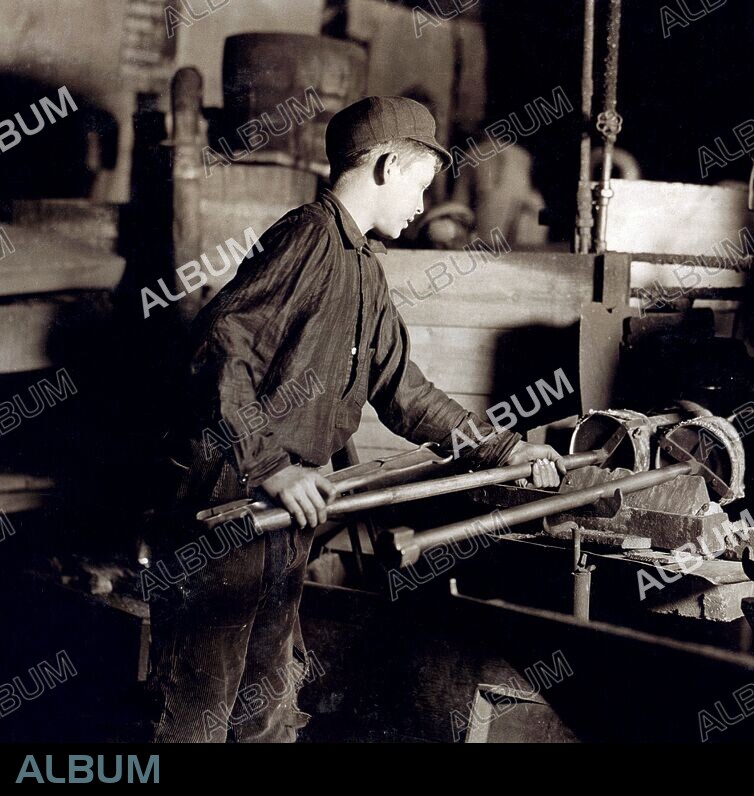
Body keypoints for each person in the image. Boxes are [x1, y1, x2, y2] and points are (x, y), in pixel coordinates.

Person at [149, 96, 565, 743]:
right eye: (421, 186)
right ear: (387, 165)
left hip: (287, 510)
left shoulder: (363, 268)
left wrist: (502, 449)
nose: (423, 207)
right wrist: (273, 468)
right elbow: (217, 346)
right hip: (227, 500)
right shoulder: (309, 237)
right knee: (200, 704)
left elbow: (405, 391)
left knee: (266, 701)